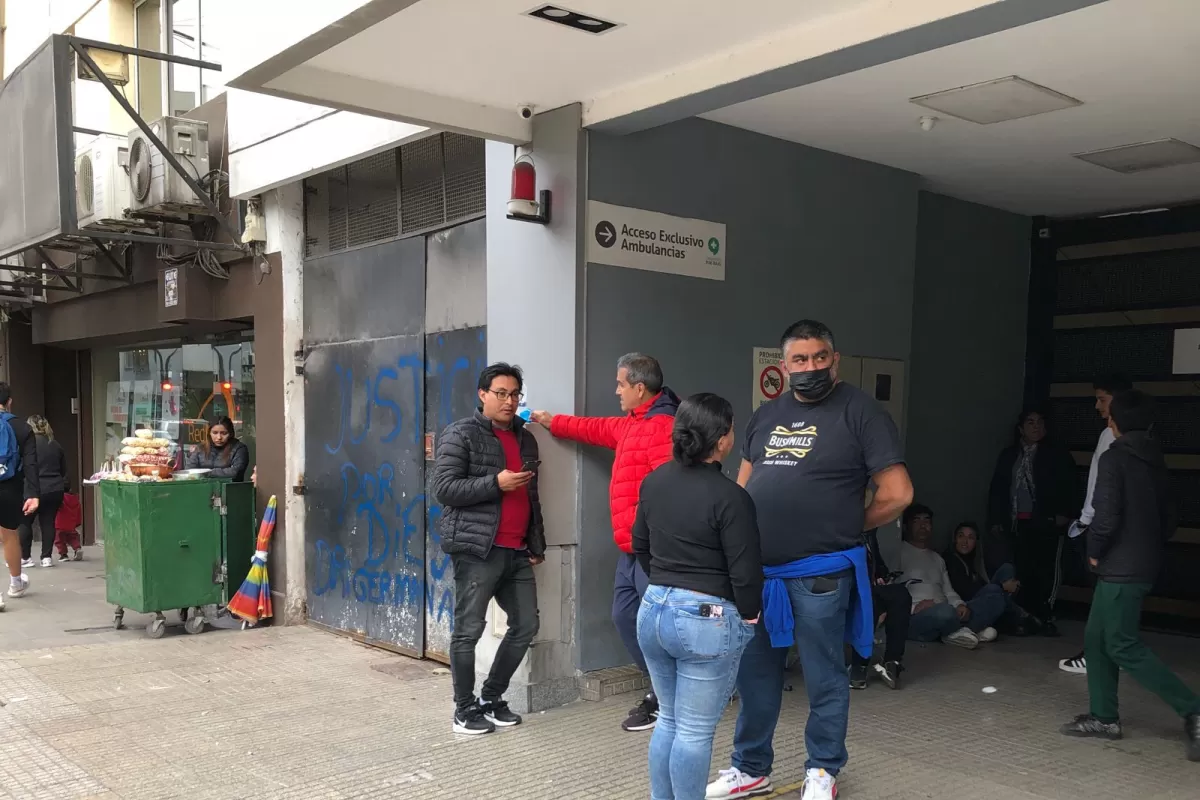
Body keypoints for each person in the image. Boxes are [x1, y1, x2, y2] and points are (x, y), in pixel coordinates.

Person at [707, 320, 912, 800]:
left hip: (820, 573)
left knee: (824, 676)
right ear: (784, 366)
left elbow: (899, 494)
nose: (811, 368)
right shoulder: (764, 416)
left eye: (820, 358)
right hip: (759, 573)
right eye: (800, 360)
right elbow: (743, 487)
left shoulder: (862, 412)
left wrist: (848, 524)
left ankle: (822, 770)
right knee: (755, 675)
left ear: (835, 360)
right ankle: (750, 768)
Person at [531, 353, 679, 732]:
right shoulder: (632, 425)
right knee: (625, 617)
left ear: (639, 388)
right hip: (630, 550)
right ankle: (664, 690)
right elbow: (594, 428)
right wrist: (552, 422)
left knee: (657, 627)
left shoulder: (663, 427)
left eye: (620, 384)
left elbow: (673, 493)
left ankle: (671, 699)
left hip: (654, 551)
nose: (616, 390)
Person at [633, 393, 762, 800]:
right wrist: (750, 614)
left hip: (653, 609)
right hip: (704, 618)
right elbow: (745, 571)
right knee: (693, 730)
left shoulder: (653, 481)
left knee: (669, 720)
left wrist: (665, 584)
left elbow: (639, 544)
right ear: (723, 440)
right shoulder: (732, 498)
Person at [1058, 391, 1200, 761]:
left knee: (1120, 643)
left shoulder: (1114, 457)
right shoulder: (1155, 458)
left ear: (1113, 422)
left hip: (1120, 566)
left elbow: (1106, 514)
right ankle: (1104, 717)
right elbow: (1171, 515)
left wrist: (1093, 551)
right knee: (1096, 637)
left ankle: (1193, 708)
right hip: (1142, 561)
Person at [433, 363, 545, 736]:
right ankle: (464, 710)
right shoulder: (461, 434)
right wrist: (495, 483)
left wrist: (536, 542)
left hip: (516, 551)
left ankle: (492, 697)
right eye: (501, 393)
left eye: (515, 394)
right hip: (478, 550)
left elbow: (532, 495)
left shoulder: (526, 438)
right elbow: (445, 489)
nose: (509, 401)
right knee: (468, 630)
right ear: (482, 395)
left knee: (527, 624)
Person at [1059, 374, 1132, 675]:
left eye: (1102, 399)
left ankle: (1097, 654)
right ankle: (1115, 653)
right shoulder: (1140, 438)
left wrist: (1086, 522)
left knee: (1103, 597)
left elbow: (1100, 488)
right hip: (1125, 531)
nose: (1097, 406)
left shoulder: (1111, 436)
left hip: (1102, 525)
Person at [987, 408, 1078, 631]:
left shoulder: (1056, 454)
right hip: (1017, 522)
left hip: (1046, 521)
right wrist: (996, 519)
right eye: (1030, 422)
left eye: (1040, 422)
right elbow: (998, 489)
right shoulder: (1009, 455)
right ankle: (1024, 614)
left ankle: (1045, 612)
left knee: (1046, 568)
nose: (1036, 426)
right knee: (1021, 567)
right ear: (1020, 429)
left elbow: (1070, 485)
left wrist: (1064, 514)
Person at [898, 505, 1004, 649]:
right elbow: (888, 593)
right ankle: (964, 630)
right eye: (917, 521)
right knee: (945, 612)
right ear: (906, 526)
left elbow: (948, 591)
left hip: (946, 610)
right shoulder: (897, 554)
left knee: (996, 598)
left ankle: (953, 633)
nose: (923, 525)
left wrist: (959, 604)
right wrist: (914, 608)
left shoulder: (937, 558)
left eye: (927, 521)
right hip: (917, 617)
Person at [942, 521, 1035, 636]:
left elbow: (981, 583)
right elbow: (964, 590)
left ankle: (1014, 619)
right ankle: (1022, 616)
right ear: (955, 539)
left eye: (970, 538)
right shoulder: (950, 559)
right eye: (961, 536)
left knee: (1006, 569)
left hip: (982, 598)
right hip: (964, 607)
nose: (965, 542)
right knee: (995, 591)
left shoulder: (973, 559)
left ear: (976, 542)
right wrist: (1002, 587)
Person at [849, 524, 911, 691]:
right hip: (843, 586)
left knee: (900, 594)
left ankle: (892, 661)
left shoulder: (868, 531)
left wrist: (880, 576)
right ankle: (859, 664)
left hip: (869, 585)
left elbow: (877, 565)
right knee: (868, 599)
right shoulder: (838, 526)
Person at [0, 383, 40, 611]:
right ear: (9, 401)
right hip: (10, 488)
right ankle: (15, 584)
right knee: (10, 535)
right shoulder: (22, 428)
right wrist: (33, 494)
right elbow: (32, 464)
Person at [18, 415, 67, 568]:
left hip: (33, 488)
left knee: (25, 522)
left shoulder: (28, 445)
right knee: (48, 522)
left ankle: (26, 557)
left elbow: (22, 468)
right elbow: (63, 469)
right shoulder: (56, 445)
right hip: (54, 488)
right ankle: (46, 557)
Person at [186, 416, 250, 481]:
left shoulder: (239, 448)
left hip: (229, 488)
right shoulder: (201, 448)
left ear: (230, 433)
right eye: (215, 433)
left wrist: (206, 473)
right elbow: (190, 471)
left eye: (224, 433)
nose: (219, 437)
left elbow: (235, 472)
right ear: (209, 433)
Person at [54, 484, 83, 562]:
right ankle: (77, 548)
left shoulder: (59, 498)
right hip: (71, 524)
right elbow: (78, 512)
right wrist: (77, 523)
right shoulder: (75, 500)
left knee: (59, 540)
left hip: (59, 523)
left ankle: (63, 555)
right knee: (72, 538)